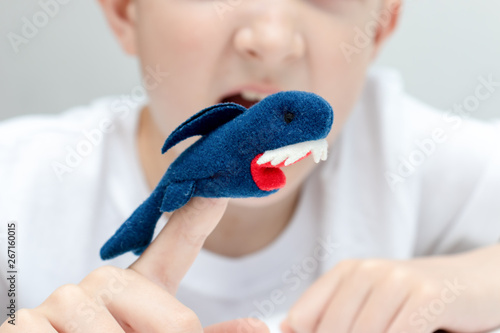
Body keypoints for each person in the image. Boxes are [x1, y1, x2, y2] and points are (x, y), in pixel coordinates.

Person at [1, 0, 500, 332]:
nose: (272, 39)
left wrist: (472, 283)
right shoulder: (15, 188)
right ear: (125, 12)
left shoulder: (419, 154)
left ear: (380, 25)